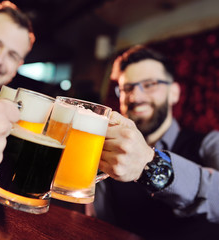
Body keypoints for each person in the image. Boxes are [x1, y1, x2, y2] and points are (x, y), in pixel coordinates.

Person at [92, 45, 219, 240]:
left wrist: (150, 163)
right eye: (127, 88)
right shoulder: (109, 151)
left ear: (174, 93)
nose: (136, 96)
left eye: (150, 84)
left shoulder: (209, 143)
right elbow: (98, 224)